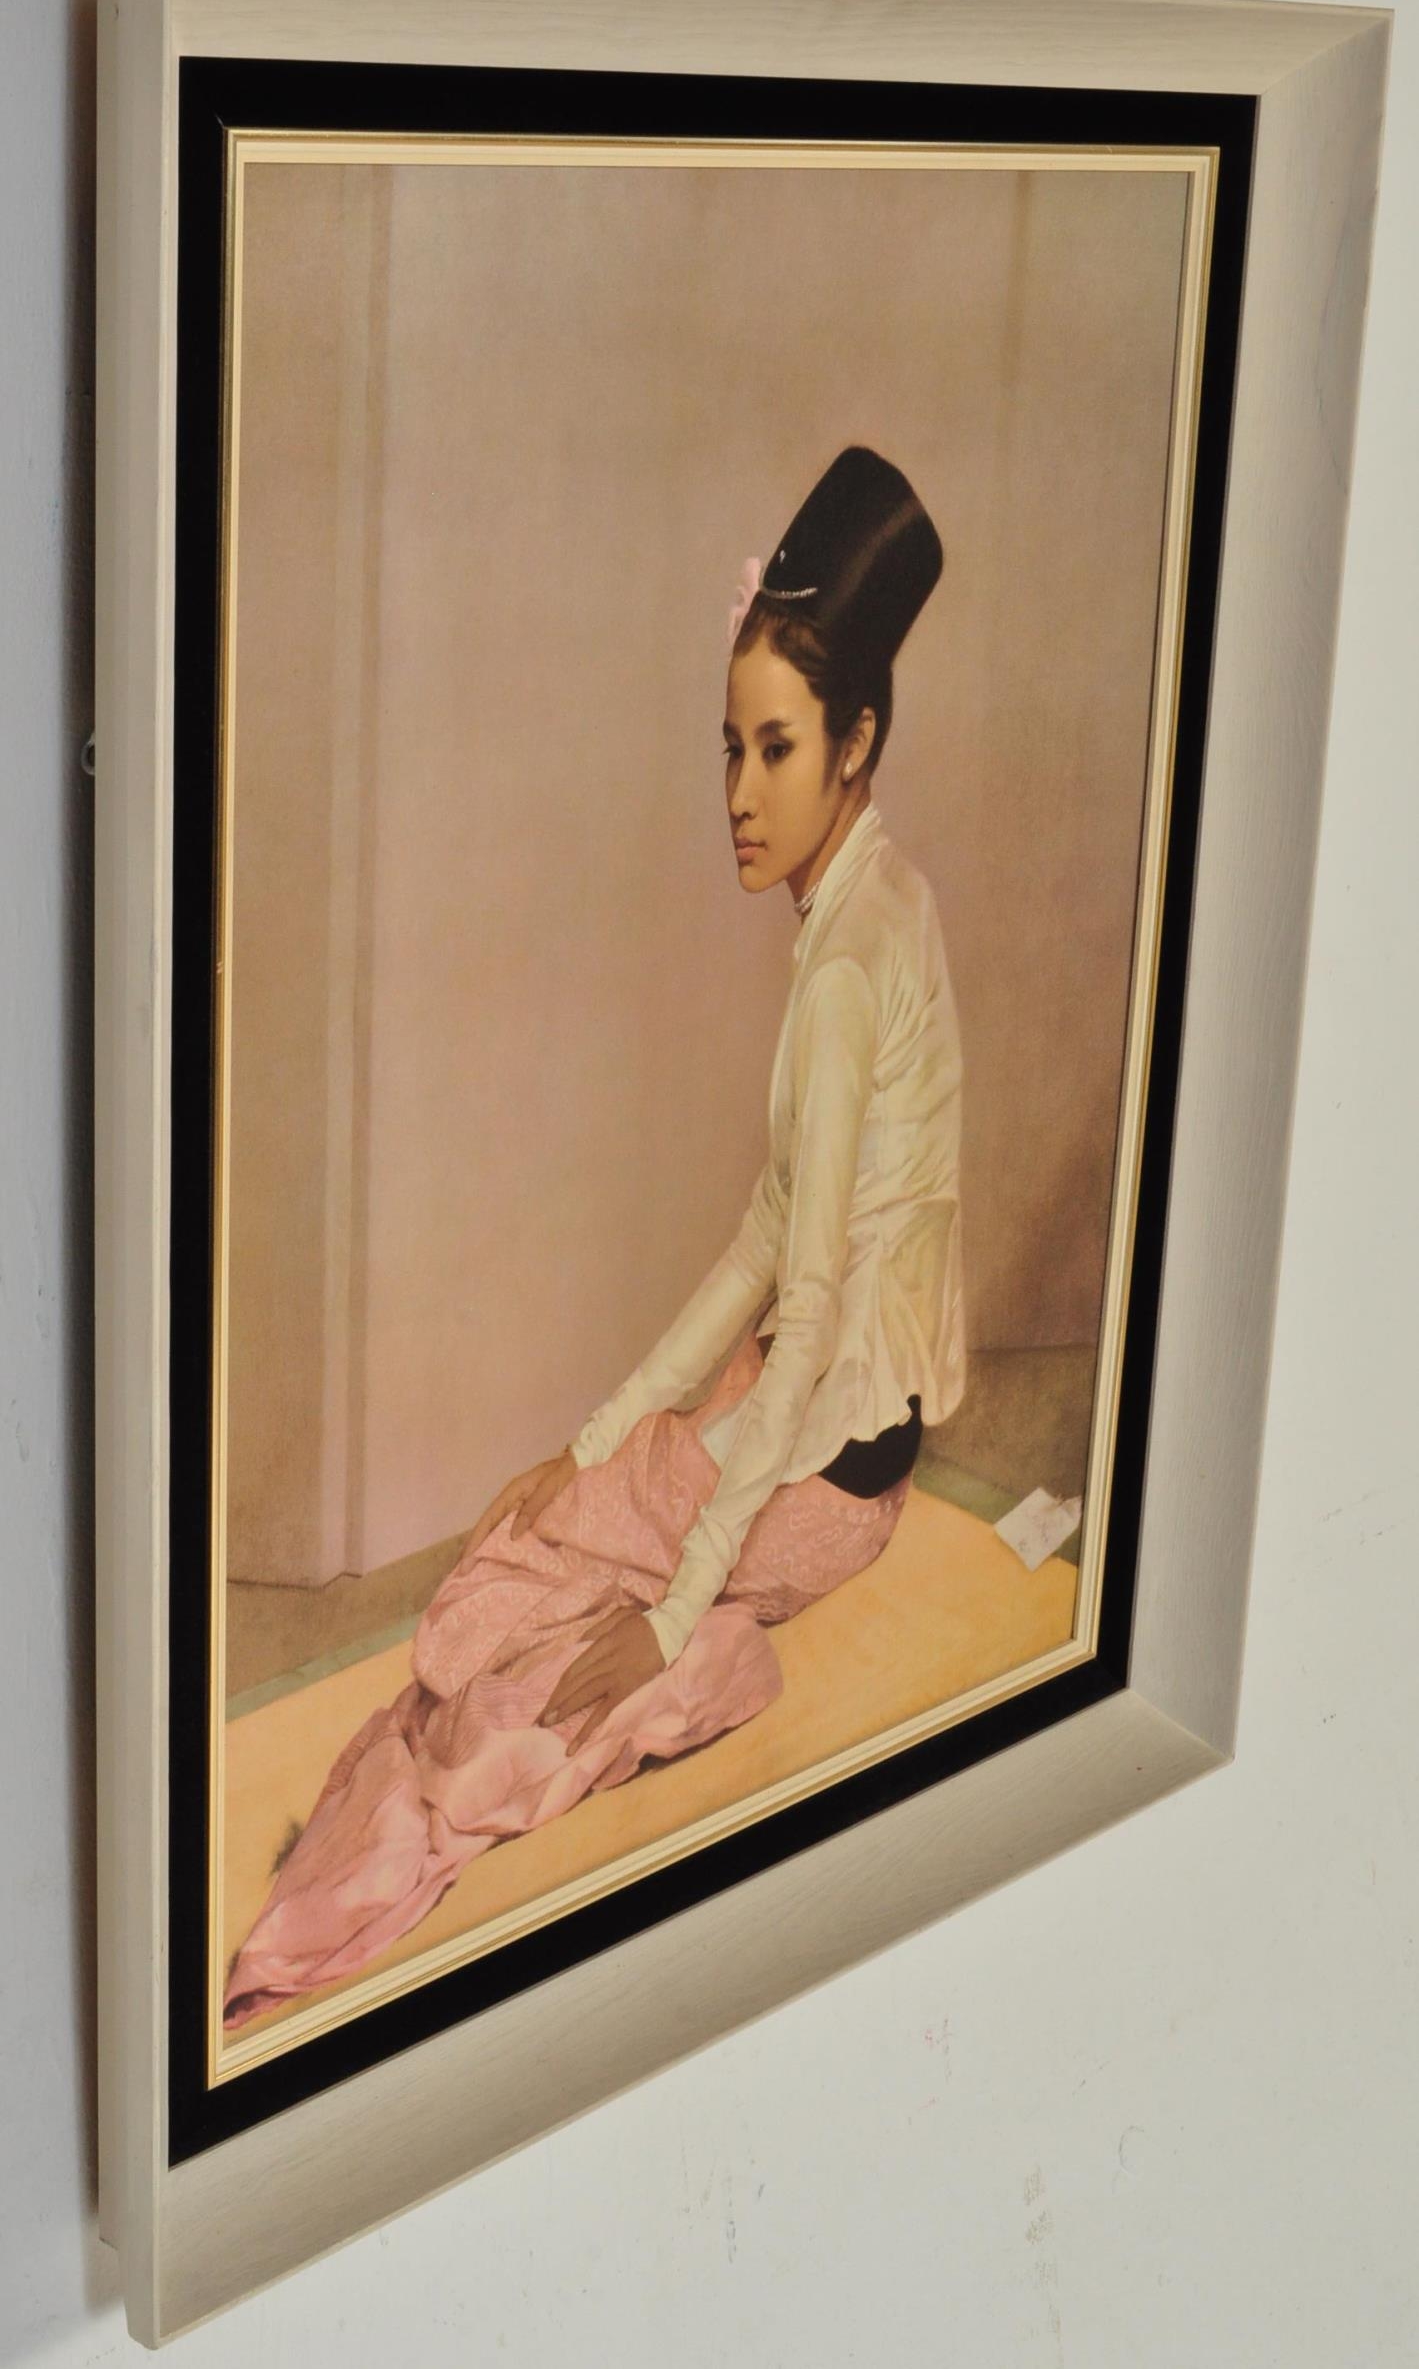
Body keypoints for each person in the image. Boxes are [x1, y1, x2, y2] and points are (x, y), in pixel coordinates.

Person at [222, 445, 966, 2031]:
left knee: (494, 1626)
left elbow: (805, 1311)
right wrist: (603, 1435)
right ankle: (681, 1615)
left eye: (776, 749)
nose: (738, 795)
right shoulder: (878, 898)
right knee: (535, 1541)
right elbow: (768, 1236)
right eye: (728, 749)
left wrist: (680, 1600)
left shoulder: (845, 975)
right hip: (830, 1425)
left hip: (832, 1473)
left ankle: (710, 1661)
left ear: (856, 742)